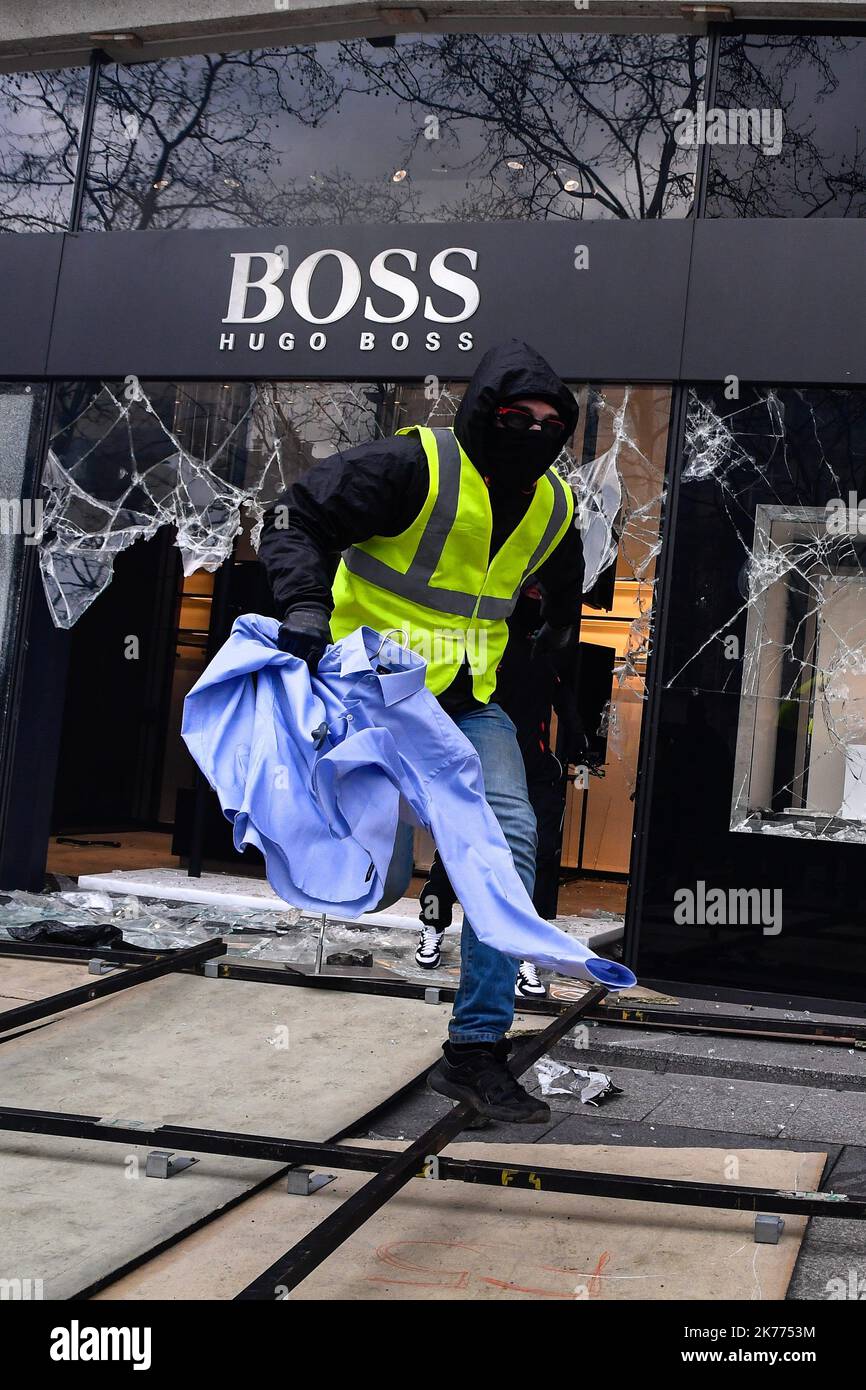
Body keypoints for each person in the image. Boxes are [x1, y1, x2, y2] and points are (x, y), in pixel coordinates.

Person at [259, 339, 584, 1123]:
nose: (534, 433)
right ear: (483, 414)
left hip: (468, 702)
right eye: (517, 417)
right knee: (380, 874)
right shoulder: (415, 467)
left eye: (551, 423)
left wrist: (554, 673)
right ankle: (371, 856)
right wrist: (304, 604)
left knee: (505, 850)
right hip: (368, 688)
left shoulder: (555, 505)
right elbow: (294, 517)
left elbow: (555, 603)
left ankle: (475, 1051)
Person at [415, 580, 589, 1001]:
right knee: (462, 851)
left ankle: (529, 953)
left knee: (539, 856)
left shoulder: (553, 644)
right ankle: (434, 924)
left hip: (535, 765)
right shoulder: (489, 636)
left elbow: (566, 700)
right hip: (486, 760)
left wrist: (581, 749)